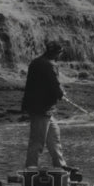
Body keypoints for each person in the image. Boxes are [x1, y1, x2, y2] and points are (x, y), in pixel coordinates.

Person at [21, 40, 68, 169]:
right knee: (37, 143)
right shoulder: (49, 65)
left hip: (42, 109)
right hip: (41, 109)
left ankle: (61, 168)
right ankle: (30, 170)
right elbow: (55, 85)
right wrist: (62, 94)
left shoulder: (36, 62)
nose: (59, 56)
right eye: (60, 53)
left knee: (54, 140)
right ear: (57, 53)